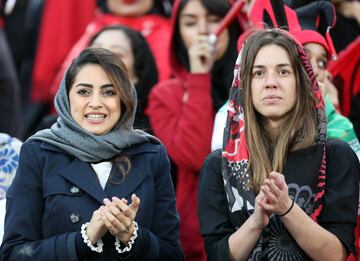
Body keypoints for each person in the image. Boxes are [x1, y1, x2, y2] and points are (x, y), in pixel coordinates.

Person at [0, 48, 183, 261]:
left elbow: (172, 254)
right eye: (84, 91)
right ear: (66, 97)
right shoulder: (39, 152)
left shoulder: (150, 154)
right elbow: (14, 254)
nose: (96, 102)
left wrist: (133, 236)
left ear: (124, 99)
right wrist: (83, 239)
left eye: (109, 92)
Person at [198, 29, 359, 260]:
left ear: (300, 82)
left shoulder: (335, 155)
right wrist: (255, 222)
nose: (271, 83)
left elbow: (336, 255)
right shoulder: (217, 165)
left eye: (283, 71)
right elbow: (217, 255)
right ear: (244, 84)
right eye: (258, 73)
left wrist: (287, 209)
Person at [146, 0, 242, 260]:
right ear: (177, 34)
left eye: (213, 19)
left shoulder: (258, 85)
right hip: (199, 237)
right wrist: (199, 76)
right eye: (189, 23)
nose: (202, 30)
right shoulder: (165, 95)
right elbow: (195, 155)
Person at [43, 24, 159, 133]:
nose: (102, 61)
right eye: (95, 52)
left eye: (116, 54)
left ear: (137, 74)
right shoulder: (49, 132)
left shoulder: (150, 142)